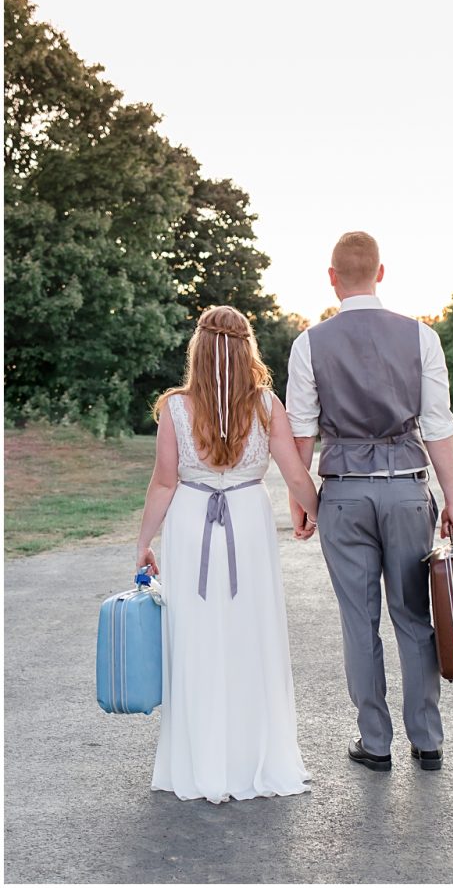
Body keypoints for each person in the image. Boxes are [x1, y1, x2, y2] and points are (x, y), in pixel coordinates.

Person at [286, 231, 453, 773]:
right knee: (415, 616)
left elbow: (300, 430)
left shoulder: (309, 343)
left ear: (332, 277)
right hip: (408, 490)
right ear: (381, 273)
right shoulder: (421, 337)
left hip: (342, 494)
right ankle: (428, 741)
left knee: (358, 621)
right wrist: (451, 497)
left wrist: (304, 500)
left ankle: (376, 743)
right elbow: (438, 425)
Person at [134, 305, 322, 803]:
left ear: (198, 348)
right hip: (248, 521)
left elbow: (164, 482)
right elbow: (297, 475)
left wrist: (143, 543)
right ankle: (250, 759)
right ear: (247, 348)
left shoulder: (175, 406)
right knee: (249, 632)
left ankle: (199, 763)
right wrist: (315, 511)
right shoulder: (266, 405)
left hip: (192, 520)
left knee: (197, 635)